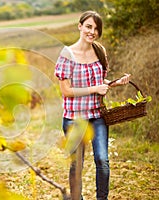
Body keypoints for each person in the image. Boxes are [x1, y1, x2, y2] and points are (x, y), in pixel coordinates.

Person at [54, 11, 130, 200]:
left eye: (96, 28)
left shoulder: (99, 51)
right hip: (74, 118)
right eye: (89, 26)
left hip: (97, 116)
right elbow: (67, 91)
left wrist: (115, 83)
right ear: (80, 26)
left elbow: (99, 81)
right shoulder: (67, 54)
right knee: (76, 164)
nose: (92, 31)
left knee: (102, 160)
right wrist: (95, 88)